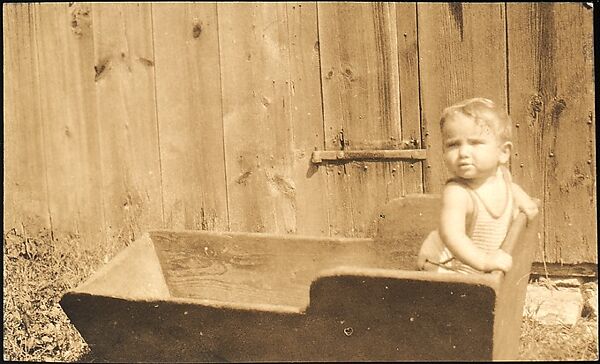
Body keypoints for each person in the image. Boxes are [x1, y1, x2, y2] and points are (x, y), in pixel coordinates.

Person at [417, 98, 539, 274]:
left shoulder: (502, 175)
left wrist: (517, 194)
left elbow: (508, 186)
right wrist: (484, 261)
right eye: (453, 145)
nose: (463, 153)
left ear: (503, 153)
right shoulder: (457, 193)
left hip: (475, 265)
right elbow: (452, 235)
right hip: (444, 266)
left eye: (475, 143)